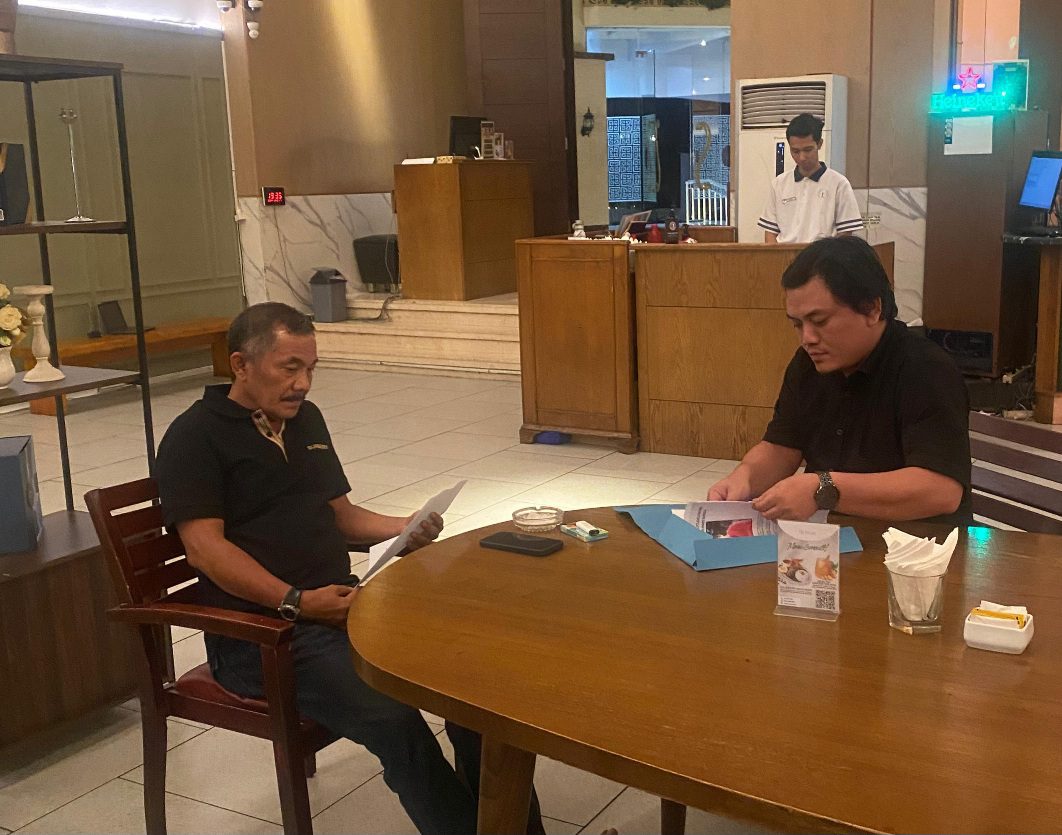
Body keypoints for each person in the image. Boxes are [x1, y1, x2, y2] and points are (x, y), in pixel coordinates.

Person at [155, 302, 544, 835]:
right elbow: (205, 549)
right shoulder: (195, 437)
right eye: (289, 368)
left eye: (311, 369)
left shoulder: (304, 420)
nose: (302, 384)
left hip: (341, 607)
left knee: (474, 687)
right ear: (241, 365)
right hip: (263, 637)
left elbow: (341, 516)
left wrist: (403, 528)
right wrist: (296, 602)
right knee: (395, 722)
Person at [708, 236, 972, 526]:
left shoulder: (925, 368)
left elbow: (940, 491)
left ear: (872, 308)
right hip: (832, 538)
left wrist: (822, 488)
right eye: (797, 324)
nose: (807, 338)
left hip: (921, 545)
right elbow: (782, 447)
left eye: (819, 321)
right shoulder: (808, 364)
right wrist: (743, 478)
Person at [758, 112, 864, 244]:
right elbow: (770, 232)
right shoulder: (779, 184)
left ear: (819, 144)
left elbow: (845, 234)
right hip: (785, 254)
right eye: (795, 151)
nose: (802, 157)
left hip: (823, 255)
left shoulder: (839, 184)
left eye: (808, 150)